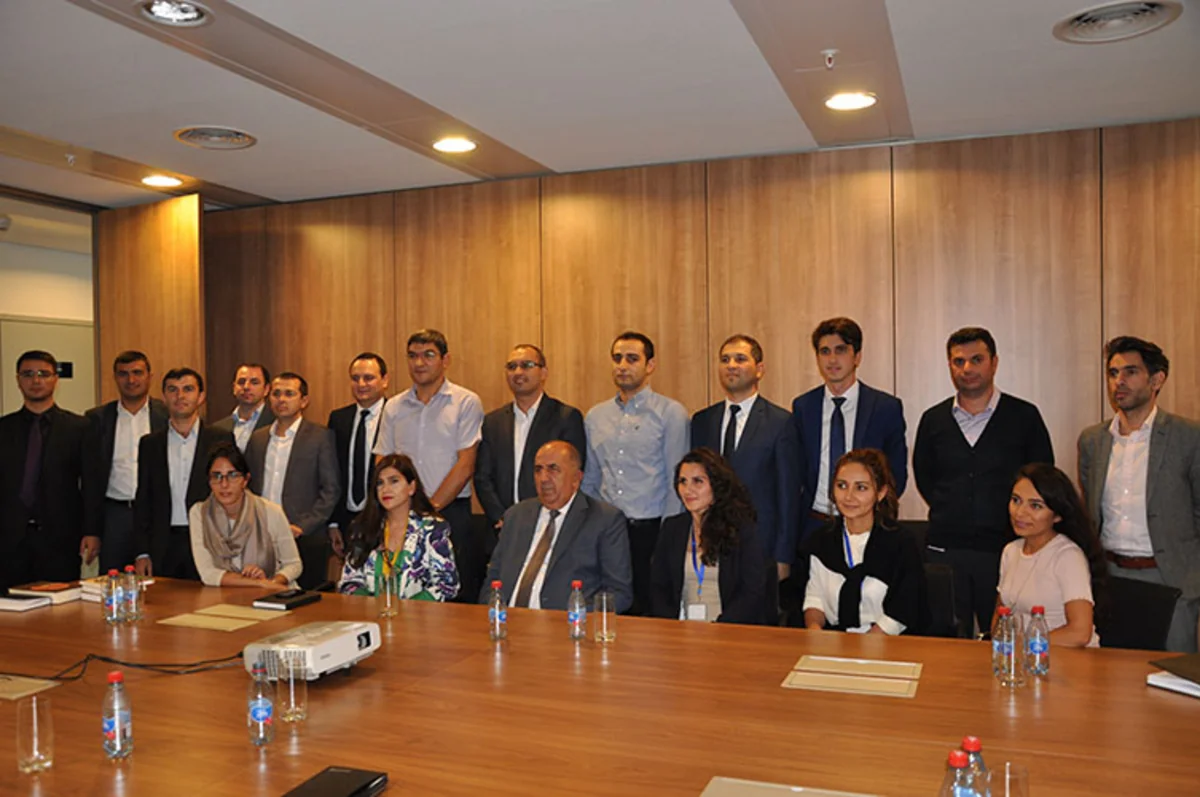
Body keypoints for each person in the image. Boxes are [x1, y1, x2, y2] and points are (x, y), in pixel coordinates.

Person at [913, 327, 1054, 637]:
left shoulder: (1024, 416)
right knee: (947, 641)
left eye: (976, 359)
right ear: (949, 366)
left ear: (994, 362)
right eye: (958, 361)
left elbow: (1043, 478)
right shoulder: (933, 420)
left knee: (1004, 637)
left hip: (1006, 548)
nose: (967, 368)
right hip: (946, 548)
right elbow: (925, 477)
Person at [1079, 336, 1200, 653]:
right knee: (1112, 672)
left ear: (1156, 380)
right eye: (1113, 372)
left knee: (1173, 674)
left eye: (1130, 372)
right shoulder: (1093, 441)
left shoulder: (1189, 437)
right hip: (1110, 577)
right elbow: (1091, 512)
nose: (1118, 381)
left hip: (1171, 577)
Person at [582, 331, 689, 615]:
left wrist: (668, 539)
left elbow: (677, 482)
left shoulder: (671, 413)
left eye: (632, 359)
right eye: (617, 358)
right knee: (609, 609)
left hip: (651, 530)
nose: (622, 366)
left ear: (649, 365)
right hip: (606, 528)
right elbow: (591, 478)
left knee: (650, 612)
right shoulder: (595, 416)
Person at [374, 329, 484, 602]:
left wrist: (429, 509)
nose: (419, 363)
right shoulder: (394, 406)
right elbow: (382, 463)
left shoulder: (465, 402)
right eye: (412, 356)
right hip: (400, 515)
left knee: (453, 598)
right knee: (400, 593)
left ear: (445, 360)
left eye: (428, 355)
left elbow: (465, 464)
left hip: (450, 512)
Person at [690, 334, 798, 593]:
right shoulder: (702, 420)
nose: (731, 365)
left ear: (759, 369)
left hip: (760, 544)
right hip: (711, 543)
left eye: (740, 359)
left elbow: (788, 496)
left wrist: (783, 556)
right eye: (725, 359)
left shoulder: (781, 422)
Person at [792, 318, 907, 545]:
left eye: (841, 350)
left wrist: (873, 513)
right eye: (825, 351)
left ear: (857, 357)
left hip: (867, 525)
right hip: (814, 523)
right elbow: (797, 469)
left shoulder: (884, 407)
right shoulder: (804, 407)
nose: (832, 359)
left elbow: (896, 474)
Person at [482, 441, 632, 612]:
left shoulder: (604, 520)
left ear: (576, 478)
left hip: (566, 622)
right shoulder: (516, 515)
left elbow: (619, 594)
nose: (543, 478)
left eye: (553, 469)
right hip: (507, 620)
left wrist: (575, 618)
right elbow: (492, 580)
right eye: (538, 470)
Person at [801, 449, 925, 635]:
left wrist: (863, 645)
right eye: (842, 485)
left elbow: (903, 610)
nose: (849, 496)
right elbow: (814, 598)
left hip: (888, 642)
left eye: (861, 488)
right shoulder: (820, 540)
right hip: (832, 641)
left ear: (881, 493)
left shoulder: (900, 543)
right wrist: (815, 630)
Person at [0, 350, 93, 589]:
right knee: (10, 607)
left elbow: (91, 484)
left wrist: (92, 532)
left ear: (55, 379)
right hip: (9, 539)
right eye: (28, 374)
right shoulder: (4, 428)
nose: (36, 380)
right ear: (18, 380)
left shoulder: (79, 428)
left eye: (43, 374)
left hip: (61, 538)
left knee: (61, 607)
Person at [133, 368, 234, 578]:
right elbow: (143, 499)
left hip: (208, 540)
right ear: (164, 397)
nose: (180, 396)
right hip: (163, 542)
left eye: (188, 389)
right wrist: (142, 551)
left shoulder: (220, 439)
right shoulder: (150, 444)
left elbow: (231, 493)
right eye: (173, 390)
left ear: (201, 396)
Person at [649, 447, 768, 625]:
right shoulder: (672, 528)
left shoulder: (741, 530)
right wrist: (673, 627)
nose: (687, 490)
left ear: (716, 485)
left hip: (729, 630)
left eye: (697, 481)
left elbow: (751, 592)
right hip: (680, 629)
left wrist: (720, 628)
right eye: (682, 481)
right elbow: (658, 588)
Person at [475, 344, 587, 531]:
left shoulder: (565, 417)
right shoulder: (493, 422)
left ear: (543, 373)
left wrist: (543, 517)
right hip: (503, 527)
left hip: (550, 524)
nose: (518, 372)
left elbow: (570, 474)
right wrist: (502, 517)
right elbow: (482, 477)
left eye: (526, 365)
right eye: (512, 367)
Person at [246, 372, 339, 590]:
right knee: (261, 595)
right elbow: (248, 485)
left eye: (289, 394)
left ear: (304, 400)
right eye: (276, 394)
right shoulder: (258, 438)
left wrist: (302, 526)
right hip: (262, 535)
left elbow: (331, 490)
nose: (281, 399)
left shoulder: (320, 436)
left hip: (304, 536)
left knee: (307, 600)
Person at [996, 463, 1103, 647]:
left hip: (1069, 657)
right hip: (1024, 657)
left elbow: (1080, 633)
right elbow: (1000, 617)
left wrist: (1022, 645)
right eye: (1016, 500)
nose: (1020, 513)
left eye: (1035, 506)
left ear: (1057, 515)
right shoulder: (1010, 551)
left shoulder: (1068, 556)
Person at [84, 350, 168, 573]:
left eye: (137, 373)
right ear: (115, 377)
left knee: (158, 580)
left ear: (149, 376)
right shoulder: (97, 419)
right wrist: (91, 530)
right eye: (123, 374)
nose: (131, 380)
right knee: (112, 580)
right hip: (115, 515)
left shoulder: (167, 415)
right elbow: (90, 478)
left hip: (156, 514)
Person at [337, 453, 458, 601]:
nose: (385, 489)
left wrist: (406, 608)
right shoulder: (364, 527)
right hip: (371, 613)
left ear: (411, 487)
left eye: (394, 481)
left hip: (418, 613)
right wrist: (370, 605)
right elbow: (348, 582)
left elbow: (447, 585)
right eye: (380, 483)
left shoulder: (432, 529)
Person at [188, 443, 302, 588]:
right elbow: (208, 574)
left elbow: (294, 564)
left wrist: (272, 582)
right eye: (217, 476)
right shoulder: (199, 513)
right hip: (225, 596)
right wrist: (256, 583)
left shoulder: (271, 511)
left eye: (232, 475)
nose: (224, 484)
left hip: (274, 593)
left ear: (245, 480)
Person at [328, 353, 390, 558]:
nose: (361, 384)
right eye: (355, 378)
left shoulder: (396, 415)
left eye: (368, 378)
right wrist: (333, 523)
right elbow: (333, 473)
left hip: (385, 517)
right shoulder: (338, 418)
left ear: (385, 380)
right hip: (347, 520)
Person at [210, 363, 274, 452]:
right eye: (241, 382)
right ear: (234, 388)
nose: (246, 387)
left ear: (266, 389)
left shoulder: (276, 423)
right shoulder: (218, 428)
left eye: (254, 382)